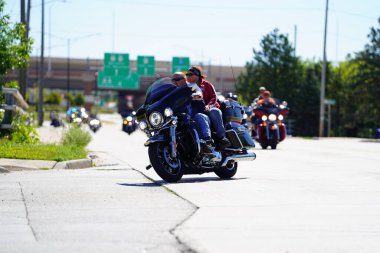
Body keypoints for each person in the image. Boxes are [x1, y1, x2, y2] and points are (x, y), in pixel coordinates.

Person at [185, 66, 231, 148]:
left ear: (197, 75)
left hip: (211, 108)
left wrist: (209, 106)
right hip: (199, 111)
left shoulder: (206, 85)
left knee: (214, 111)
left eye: (190, 74)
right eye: (187, 74)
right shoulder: (188, 87)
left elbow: (214, 97)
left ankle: (222, 138)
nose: (188, 76)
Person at [172, 72, 213, 153]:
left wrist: (196, 95)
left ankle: (207, 142)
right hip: (181, 119)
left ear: (184, 80)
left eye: (177, 80)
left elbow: (198, 91)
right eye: (173, 80)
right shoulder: (172, 92)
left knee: (199, 116)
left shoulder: (191, 86)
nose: (174, 82)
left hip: (196, 118)